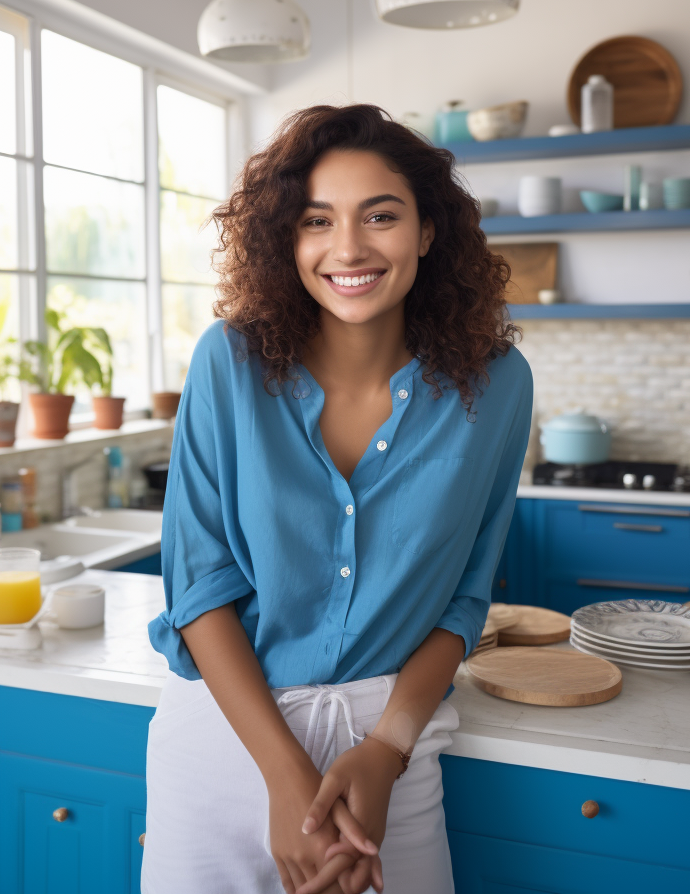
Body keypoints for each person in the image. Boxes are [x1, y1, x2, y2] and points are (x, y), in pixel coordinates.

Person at [141, 104, 533, 894]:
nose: (348, 248)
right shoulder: (230, 363)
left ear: (427, 231)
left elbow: (464, 597)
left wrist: (387, 750)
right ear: (288, 238)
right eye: (317, 219)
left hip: (388, 744)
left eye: (380, 216)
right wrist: (286, 779)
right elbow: (200, 588)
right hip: (225, 739)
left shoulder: (496, 386)